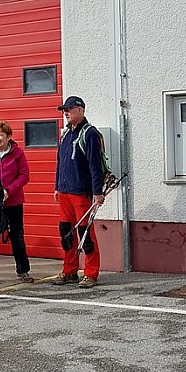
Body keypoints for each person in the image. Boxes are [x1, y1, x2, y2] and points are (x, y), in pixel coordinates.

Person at [50, 96, 106, 289]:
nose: (66, 113)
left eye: (69, 109)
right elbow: (60, 163)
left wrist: (97, 192)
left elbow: (95, 165)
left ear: (80, 110)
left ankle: (91, 273)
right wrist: (57, 186)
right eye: (64, 110)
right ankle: (69, 271)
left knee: (85, 233)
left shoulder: (90, 133)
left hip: (81, 192)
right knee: (66, 233)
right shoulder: (65, 134)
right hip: (64, 192)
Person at [0, 121, 33, 282]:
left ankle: (23, 271)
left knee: (17, 236)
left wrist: (9, 191)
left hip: (14, 201)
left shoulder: (17, 153)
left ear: (8, 137)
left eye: (0, 135)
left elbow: (24, 176)